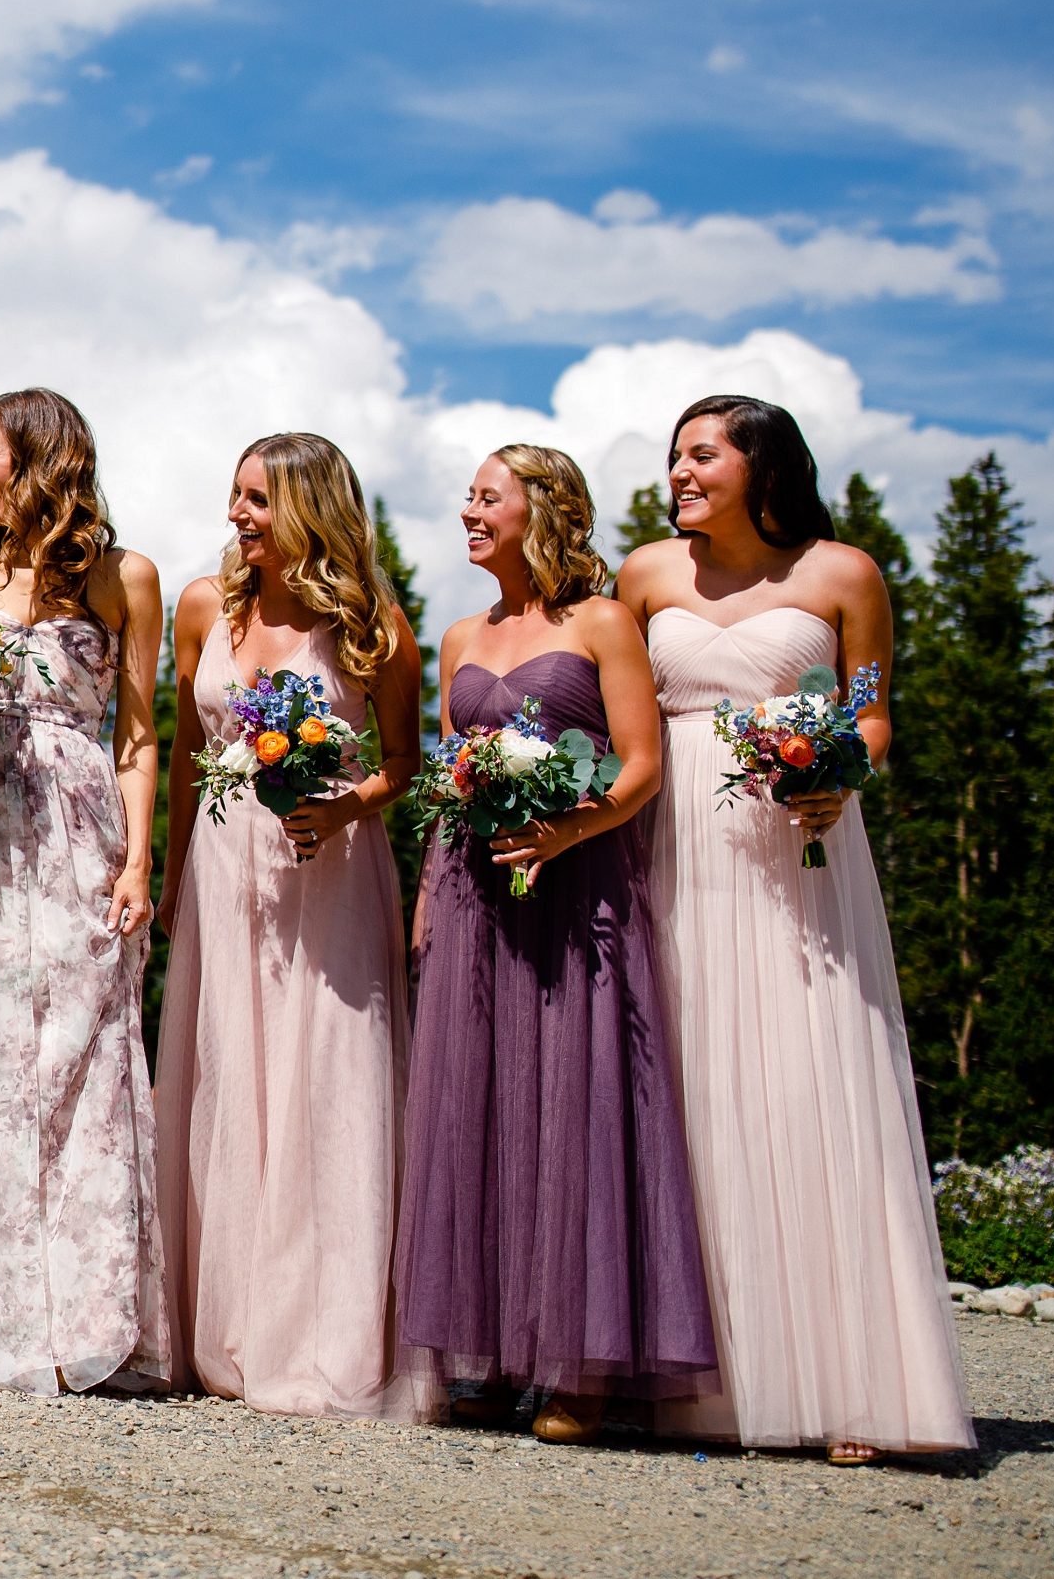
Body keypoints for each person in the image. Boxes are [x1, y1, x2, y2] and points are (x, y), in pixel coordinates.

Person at [622, 395, 972, 1462]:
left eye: (699, 452)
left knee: (807, 1083)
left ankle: (847, 1378)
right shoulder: (642, 576)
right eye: (673, 452)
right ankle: (696, 1379)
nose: (677, 470)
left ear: (759, 462)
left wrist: (840, 773)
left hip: (797, 850)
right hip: (672, 850)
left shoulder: (841, 574)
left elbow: (867, 711)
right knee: (684, 1086)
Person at [398, 446, 716, 1441]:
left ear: (544, 508)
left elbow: (640, 765)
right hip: (472, 891)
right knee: (479, 1103)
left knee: (573, 1103)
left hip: (576, 888)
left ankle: (584, 1361)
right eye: (467, 495)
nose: (467, 510)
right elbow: (447, 776)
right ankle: (489, 1351)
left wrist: (566, 828)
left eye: (486, 496)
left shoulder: (601, 621)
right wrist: (423, 896)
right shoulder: (454, 635)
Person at [156, 432, 440, 1422]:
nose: (235, 514)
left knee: (326, 1083)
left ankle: (322, 1333)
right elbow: (188, 747)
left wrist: (346, 805)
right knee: (228, 1079)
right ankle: (225, 1329)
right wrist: (161, 876)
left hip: (328, 871)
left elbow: (402, 758)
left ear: (309, 509)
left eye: (255, 499)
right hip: (220, 866)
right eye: (232, 494)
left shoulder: (371, 627)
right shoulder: (203, 604)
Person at [0, 389, 170, 1396]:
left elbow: (136, 735)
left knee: (77, 1060)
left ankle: (86, 1318)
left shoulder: (121, 574)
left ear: (38, 457)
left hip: (72, 822)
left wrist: (139, 859)